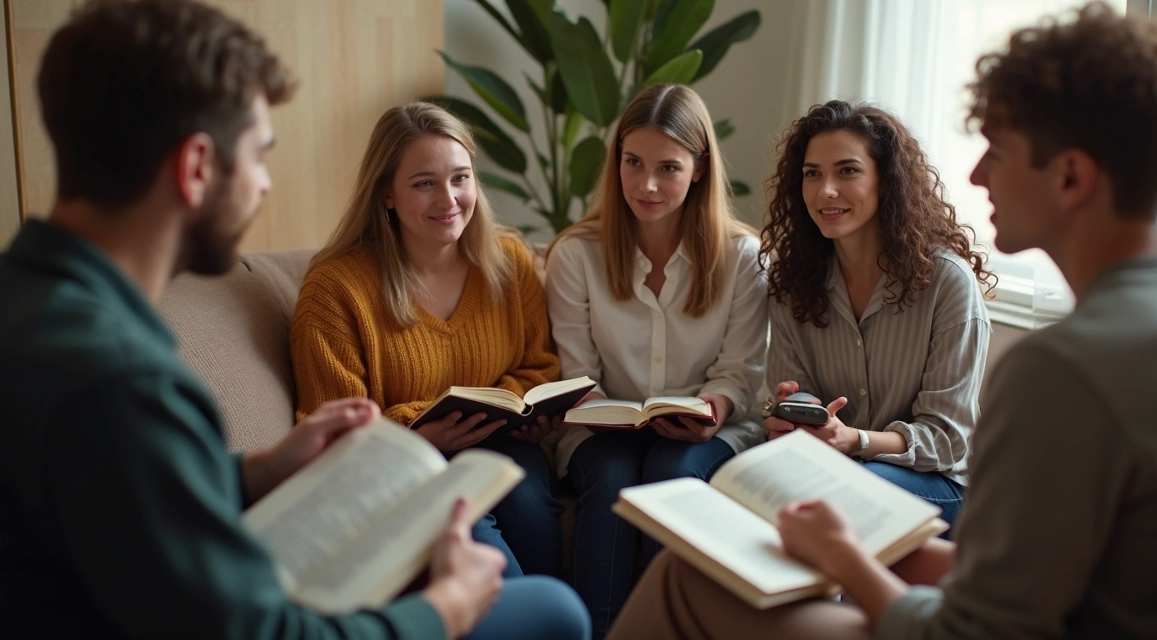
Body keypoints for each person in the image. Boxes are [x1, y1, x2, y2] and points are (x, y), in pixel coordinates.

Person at [604, 3, 1157, 639]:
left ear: (1070, 176)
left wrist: (847, 557)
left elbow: (969, 629)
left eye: (999, 151)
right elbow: (1070, 579)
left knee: (685, 579)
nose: (977, 173)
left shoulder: (1061, 369)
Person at [0, 2, 589, 639]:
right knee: (556, 612)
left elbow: (112, 496)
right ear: (197, 167)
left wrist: (253, 472)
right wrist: (442, 609)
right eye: (259, 155)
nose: (264, 186)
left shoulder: (32, 308)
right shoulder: (122, 383)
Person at [290, 102, 565, 579]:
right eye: (424, 183)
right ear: (387, 194)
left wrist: (522, 411)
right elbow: (331, 426)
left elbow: (539, 364)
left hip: (502, 446)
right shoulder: (335, 290)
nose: (449, 199)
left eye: (461, 178)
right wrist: (419, 430)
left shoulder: (509, 262)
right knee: (488, 560)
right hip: (405, 468)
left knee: (532, 511)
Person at [545, 83, 768, 638]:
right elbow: (577, 373)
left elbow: (740, 371)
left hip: (709, 428)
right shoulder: (577, 254)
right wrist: (604, 413)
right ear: (616, 161)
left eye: (667, 167)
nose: (645, 184)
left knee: (673, 472)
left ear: (698, 169)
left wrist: (713, 406)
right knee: (617, 474)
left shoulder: (742, 257)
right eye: (633, 162)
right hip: (602, 429)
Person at [760, 100, 994, 529]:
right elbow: (798, 392)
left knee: (846, 494)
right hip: (830, 469)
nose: (825, 190)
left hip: (936, 484)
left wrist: (856, 440)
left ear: (886, 181)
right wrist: (801, 412)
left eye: (847, 171)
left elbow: (947, 439)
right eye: (812, 173)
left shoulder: (947, 283)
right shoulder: (793, 281)